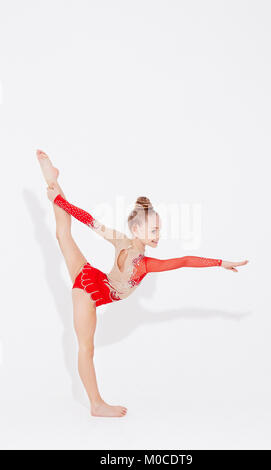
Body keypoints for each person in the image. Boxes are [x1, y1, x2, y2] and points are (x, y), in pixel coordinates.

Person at [36, 149, 249, 418]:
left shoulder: (120, 239)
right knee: (86, 348)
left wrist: (60, 201)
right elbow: (183, 261)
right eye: (155, 230)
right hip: (90, 293)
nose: (159, 235)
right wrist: (220, 262)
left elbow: (87, 218)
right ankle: (96, 404)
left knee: (63, 235)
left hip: (91, 276)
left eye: (159, 229)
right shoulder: (144, 265)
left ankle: (52, 182)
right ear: (137, 230)